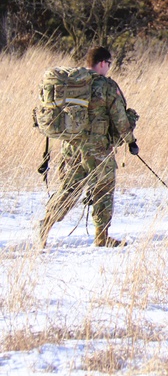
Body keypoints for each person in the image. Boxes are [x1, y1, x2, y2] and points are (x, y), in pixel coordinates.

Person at [37, 46, 140, 248]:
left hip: (72, 145)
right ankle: (102, 237)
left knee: (69, 189)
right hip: (98, 148)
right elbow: (119, 117)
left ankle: (46, 223)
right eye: (109, 64)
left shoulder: (75, 83)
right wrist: (131, 141)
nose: (109, 68)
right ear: (102, 63)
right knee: (103, 189)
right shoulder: (106, 86)